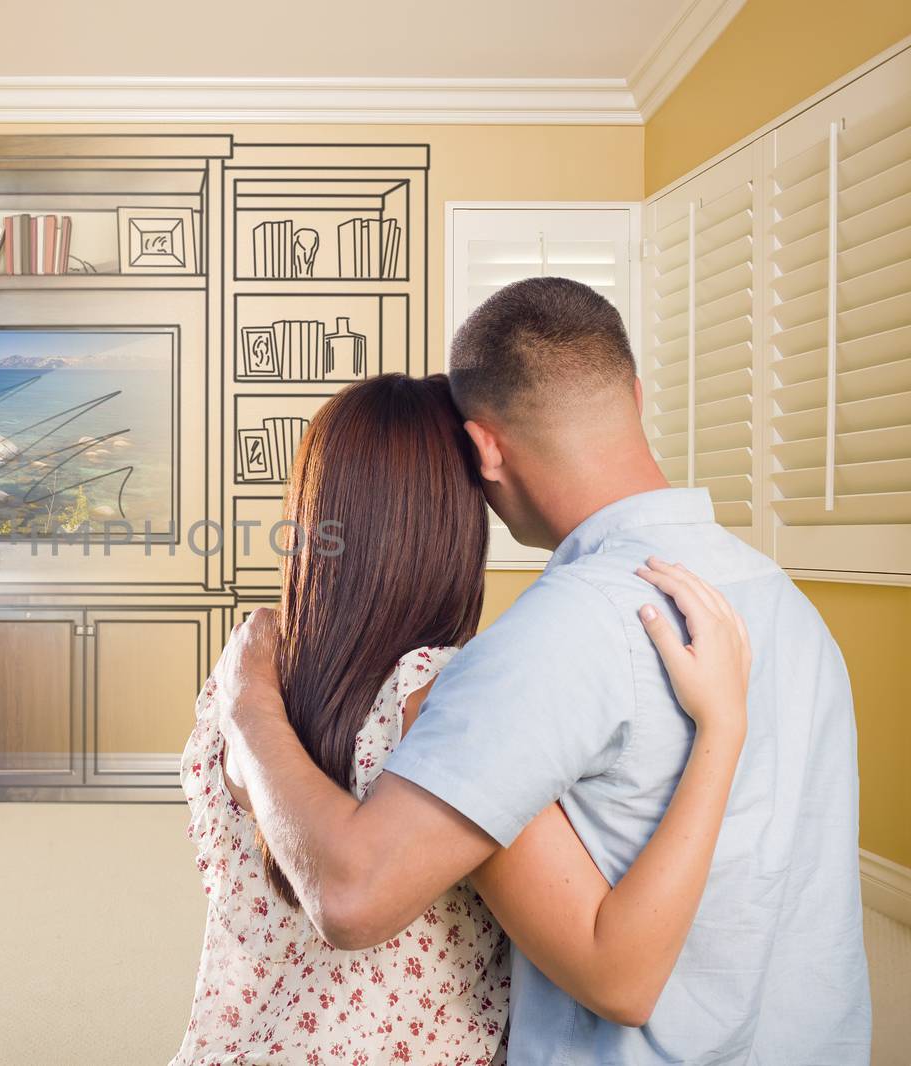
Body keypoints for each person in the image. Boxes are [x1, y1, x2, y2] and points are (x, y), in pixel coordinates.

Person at [212, 278, 870, 1063]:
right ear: (631, 390)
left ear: (484, 447)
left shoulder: (549, 640)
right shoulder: (783, 602)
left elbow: (352, 896)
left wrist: (247, 699)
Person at [174, 373, 753, 1065]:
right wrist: (723, 727)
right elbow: (618, 975)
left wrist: (246, 703)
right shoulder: (441, 701)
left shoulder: (242, 674)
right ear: (454, 524)